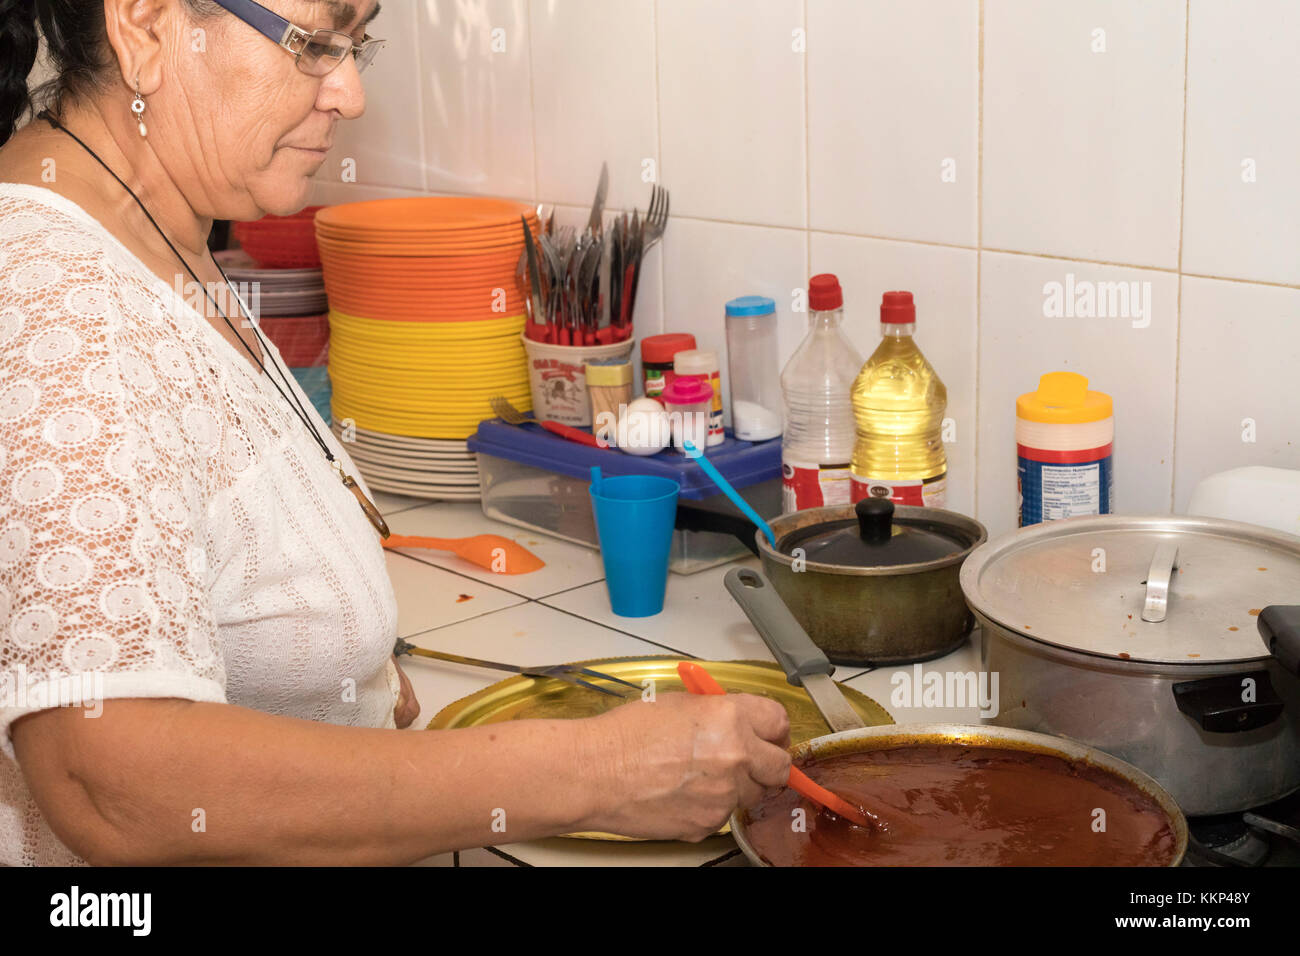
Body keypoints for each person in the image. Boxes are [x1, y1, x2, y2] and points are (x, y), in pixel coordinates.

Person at [0, 0, 790, 866]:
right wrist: (600, 769)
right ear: (146, 27)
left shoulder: (157, 232)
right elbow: (110, 779)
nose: (351, 92)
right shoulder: (54, 300)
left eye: (358, 42)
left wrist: (339, 688)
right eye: (315, 44)